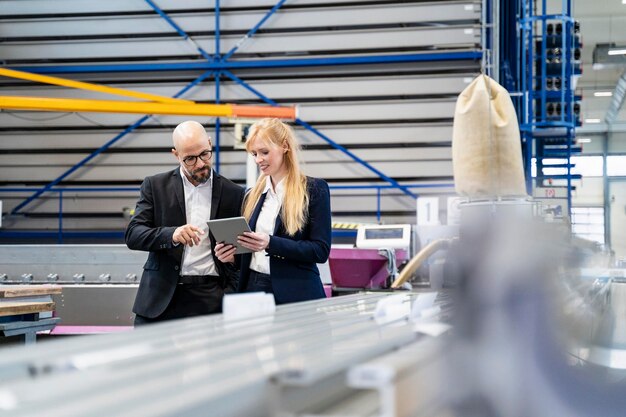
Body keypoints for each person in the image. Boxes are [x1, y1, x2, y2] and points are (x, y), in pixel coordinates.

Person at [126, 120, 245, 325]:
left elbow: (241, 253)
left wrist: (232, 260)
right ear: (176, 154)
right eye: (190, 159)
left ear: (209, 143)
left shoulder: (233, 193)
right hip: (160, 300)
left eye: (204, 154)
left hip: (211, 299)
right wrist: (171, 235)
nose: (199, 163)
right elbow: (134, 234)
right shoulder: (155, 186)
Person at [215, 118, 331, 304]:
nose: (258, 160)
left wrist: (271, 243)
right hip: (253, 288)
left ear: (284, 146)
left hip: (296, 292)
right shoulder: (252, 195)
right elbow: (251, 255)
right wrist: (232, 257)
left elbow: (320, 251)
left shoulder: (314, 189)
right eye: (254, 153)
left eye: (264, 152)